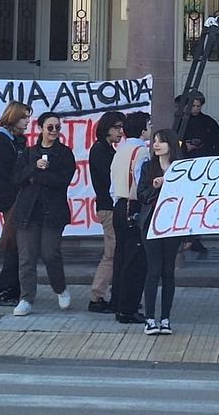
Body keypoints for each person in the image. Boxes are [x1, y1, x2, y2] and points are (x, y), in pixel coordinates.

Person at [10, 112, 76, 317]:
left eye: (57, 127)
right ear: (40, 129)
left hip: (52, 213)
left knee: (50, 253)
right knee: (26, 257)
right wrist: (33, 169)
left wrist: (40, 175)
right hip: (28, 213)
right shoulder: (28, 153)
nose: (54, 131)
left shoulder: (65, 154)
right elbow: (16, 178)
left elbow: (62, 180)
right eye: (50, 127)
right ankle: (26, 298)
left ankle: (60, 288)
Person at [0, 101, 30, 307]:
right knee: (13, 244)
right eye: (24, 117)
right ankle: (4, 290)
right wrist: (9, 200)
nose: (27, 121)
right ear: (13, 117)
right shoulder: (2, 141)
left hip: (17, 199)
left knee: (18, 245)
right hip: (13, 200)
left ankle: (12, 289)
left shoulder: (15, 140)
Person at [137, 128, 185, 335]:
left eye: (161, 141)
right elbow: (141, 195)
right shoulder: (148, 168)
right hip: (151, 223)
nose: (156, 145)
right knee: (153, 270)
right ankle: (149, 319)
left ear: (171, 145)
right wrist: (156, 187)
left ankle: (165, 318)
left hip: (174, 224)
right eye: (154, 141)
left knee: (168, 272)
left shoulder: (182, 168)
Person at [108, 110, 151, 324]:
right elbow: (139, 180)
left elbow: (113, 181)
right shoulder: (141, 151)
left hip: (119, 204)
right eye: (148, 125)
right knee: (135, 260)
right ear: (143, 130)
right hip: (132, 206)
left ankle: (118, 301)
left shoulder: (121, 148)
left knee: (121, 256)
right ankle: (128, 308)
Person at [174, 90, 219, 257]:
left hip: (204, 168)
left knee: (199, 205)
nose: (195, 109)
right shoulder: (178, 121)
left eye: (198, 106)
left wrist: (212, 159)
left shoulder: (208, 122)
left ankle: (194, 237)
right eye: (192, 105)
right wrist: (184, 147)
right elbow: (170, 143)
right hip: (183, 168)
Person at [87, 110, 125, 314]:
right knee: (111, 253)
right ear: (106, 128)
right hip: (108, 207)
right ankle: (97, 296)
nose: (120, 132)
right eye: (116, 127)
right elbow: (109, 179)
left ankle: (106, 294)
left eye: (122, 128)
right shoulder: (100, 151)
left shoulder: (109, 149)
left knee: (114, 252)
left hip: (111, 206)